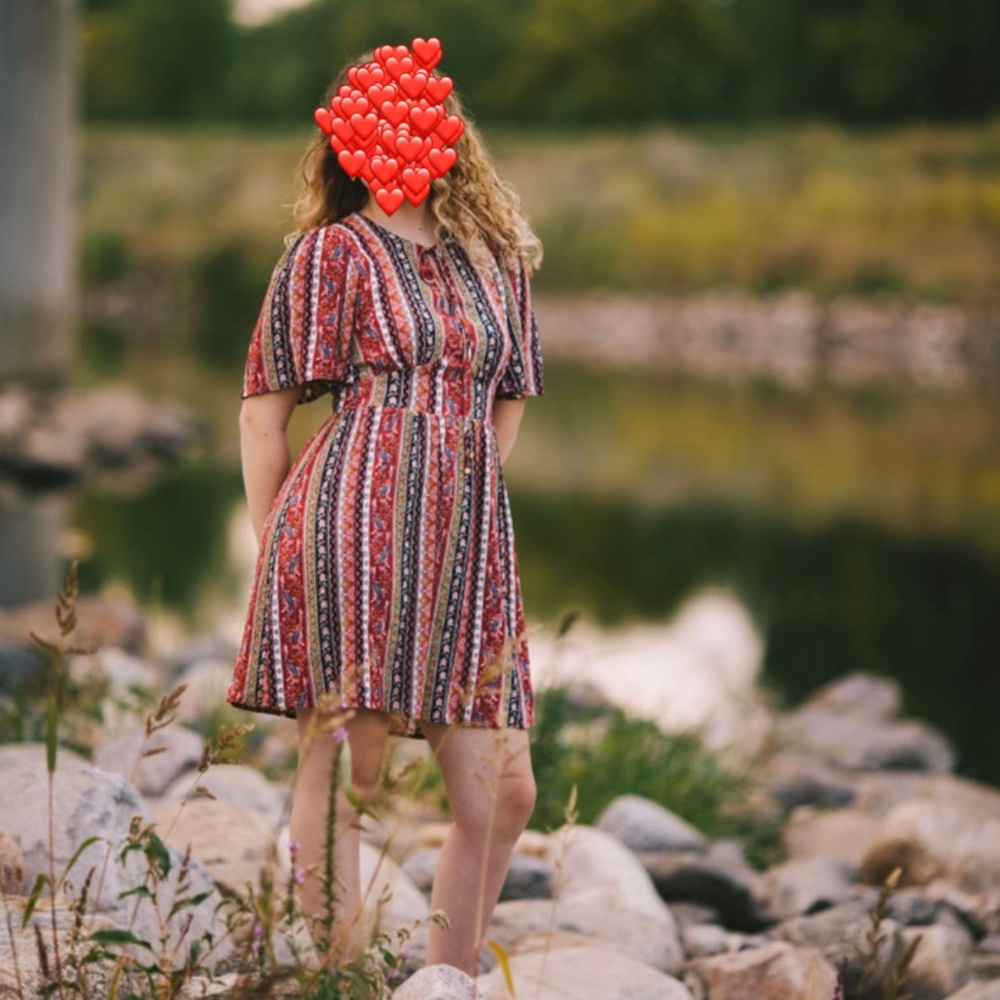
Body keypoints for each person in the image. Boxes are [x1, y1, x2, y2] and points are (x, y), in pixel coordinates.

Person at [226, 48, 544, 978]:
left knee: (505, 791)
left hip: (468, 542)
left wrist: (455, 484)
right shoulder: (331, 253)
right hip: (344, 527)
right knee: (350, 774)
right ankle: (347, 982)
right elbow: (262, 412)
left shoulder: (497, 263)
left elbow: (510, 394)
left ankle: (445, 979)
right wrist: (278, 551)